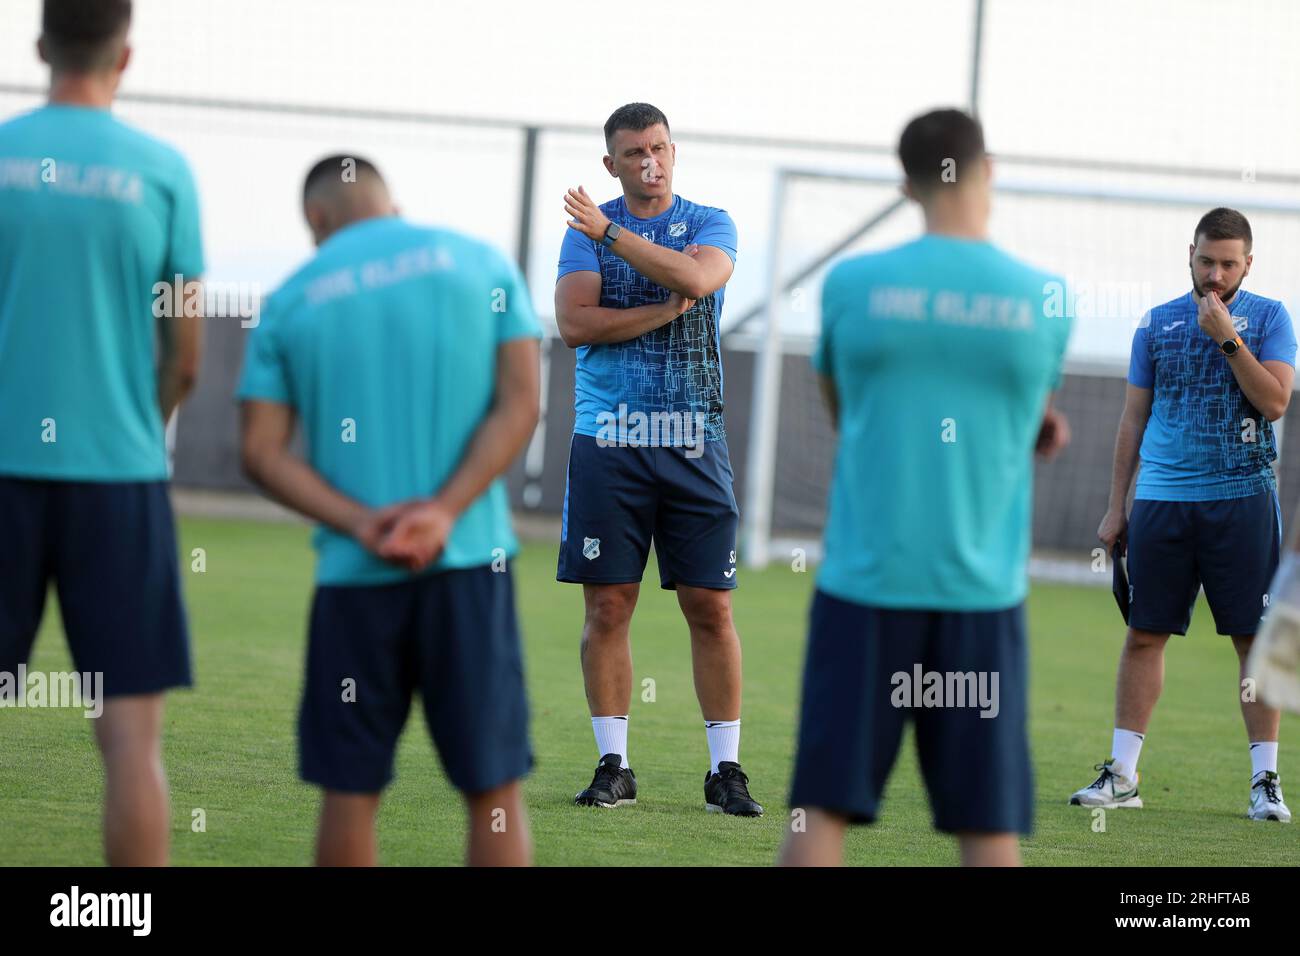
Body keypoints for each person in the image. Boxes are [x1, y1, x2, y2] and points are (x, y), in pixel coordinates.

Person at [780, 108, 1072, 867]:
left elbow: (847, 412)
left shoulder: (852, 284)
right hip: (980, 596)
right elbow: (1024, 411)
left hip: (865, 587)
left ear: (906, 182)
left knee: (820, 816)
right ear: (989, 168)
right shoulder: (1046, 298)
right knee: (987, 828)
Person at [237, 155, 541, 864]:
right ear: (391, 202)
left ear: (317, 218)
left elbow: (260, 452)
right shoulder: (480, 263)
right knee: (494, 791)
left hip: (354, 577)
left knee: (350, 790)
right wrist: (442, 511)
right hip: (468, 565)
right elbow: (522, 402)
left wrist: (361, 522)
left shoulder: (291, 299)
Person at [0, 0, 204, 866]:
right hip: (117, 481)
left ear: (41, 44)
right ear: (125, 54)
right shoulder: (162, 171)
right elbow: (186, 356)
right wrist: (131, 428)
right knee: (128, 741)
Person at [555, 102, 762, 815]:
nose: (652, 161)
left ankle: (725, 771)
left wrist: (612, 234)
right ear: (610, 164)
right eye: (635, 153)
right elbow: (575, 324)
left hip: (693, 444)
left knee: (710, 606)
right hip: (607, 444)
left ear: (674, 152)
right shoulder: (581, 234)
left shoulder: (709, 223)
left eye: (661, 148)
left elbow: (698, 280)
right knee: (609, 604)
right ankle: (614, 764)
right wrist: (657, 309)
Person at [1071, 207, 1295, 823]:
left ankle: (1265, 780)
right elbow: (1133, 418)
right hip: (1163, 501)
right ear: (1189, 256)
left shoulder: (1271, 318)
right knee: (1144, 634)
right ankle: (1121, 775)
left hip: (1243, 500)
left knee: (1253, 642)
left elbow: (1275, 402)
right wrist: (1117, 506)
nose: (1216, 274)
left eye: (1229, 263)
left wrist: (1227, 336)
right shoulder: (1156, 323)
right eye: (1206, 261)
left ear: (1249, 263)